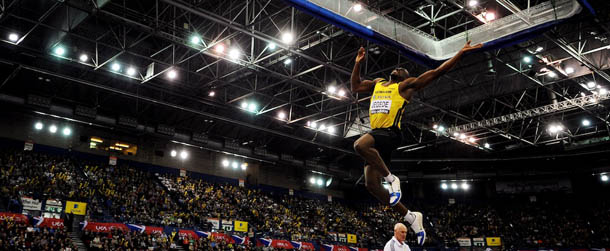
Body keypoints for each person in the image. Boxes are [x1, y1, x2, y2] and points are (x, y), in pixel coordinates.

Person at [351, 41, 483, 245]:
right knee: (370, 184)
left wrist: (461, 53)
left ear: (406, 78)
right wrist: (358, 63)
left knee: (360, 145)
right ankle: (411, 217)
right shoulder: (378, 83)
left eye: (402, 69)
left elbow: (437, 72)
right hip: (378, 137)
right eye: (397, 68)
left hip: (390, 133)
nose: (397, 68)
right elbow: (356, 86)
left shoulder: (405, 87)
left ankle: (392, 179)